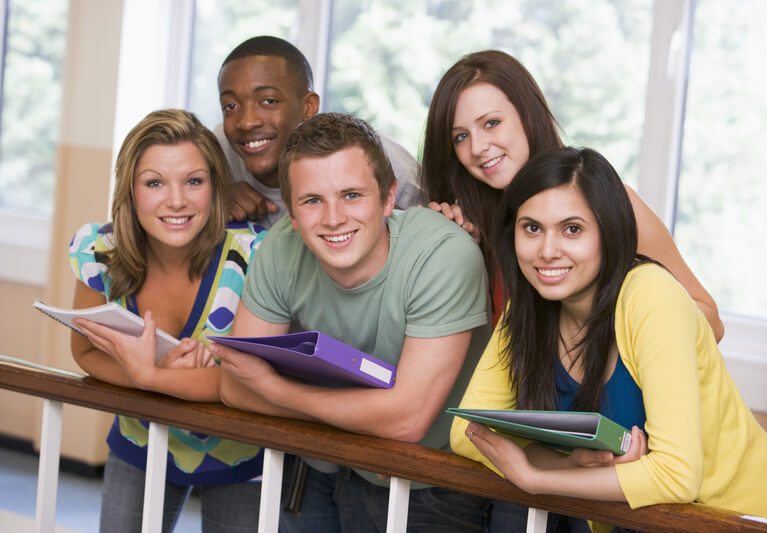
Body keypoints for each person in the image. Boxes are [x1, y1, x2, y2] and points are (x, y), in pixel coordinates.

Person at [450, 147, 767, 531]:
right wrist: (566, 463)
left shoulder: (652, 295)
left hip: (733, 518)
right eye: (532, 228)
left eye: (572, 229)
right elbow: (467, 433)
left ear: (609, 232)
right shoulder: (528, 309)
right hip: (638, 518)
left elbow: (676, 476)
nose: (547, 251)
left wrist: (536, 477)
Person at [212, 112, 492, 532]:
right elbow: (234, 386)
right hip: (321, 465)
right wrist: (365, 418)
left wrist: (274, 389)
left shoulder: (444, 254)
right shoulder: (278, 248)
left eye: (352, 195)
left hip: (429, 479)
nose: (333, 218)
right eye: (312, 201)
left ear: (388, 198)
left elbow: (406, 421)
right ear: (290, 210)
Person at [419, 49, 725, 342]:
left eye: (491, 123)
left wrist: (611, 339)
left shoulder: (612, 204)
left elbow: (710, 321)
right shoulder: (478, 228)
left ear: (528, 114)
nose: (477, 147)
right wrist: (452, 247)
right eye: (461, 136)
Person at [69, 109, 266, 532]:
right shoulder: (100, 251)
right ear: (130, 190)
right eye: (154, 182)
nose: (175, 201)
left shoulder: (255, 257)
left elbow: (249, 382)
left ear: (216, 186)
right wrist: (154, 374)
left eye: (193, 181)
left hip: (243, 454)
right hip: (140, 443)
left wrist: (151, 376)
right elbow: (83, 349)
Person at [216, 35, 423, 227]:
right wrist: (216, 200)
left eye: (269, 101)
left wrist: (392, 222)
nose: (246, 122)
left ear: (308, 107)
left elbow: (437, 230)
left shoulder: (377, 155)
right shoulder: (217, 153)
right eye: (230, 106)